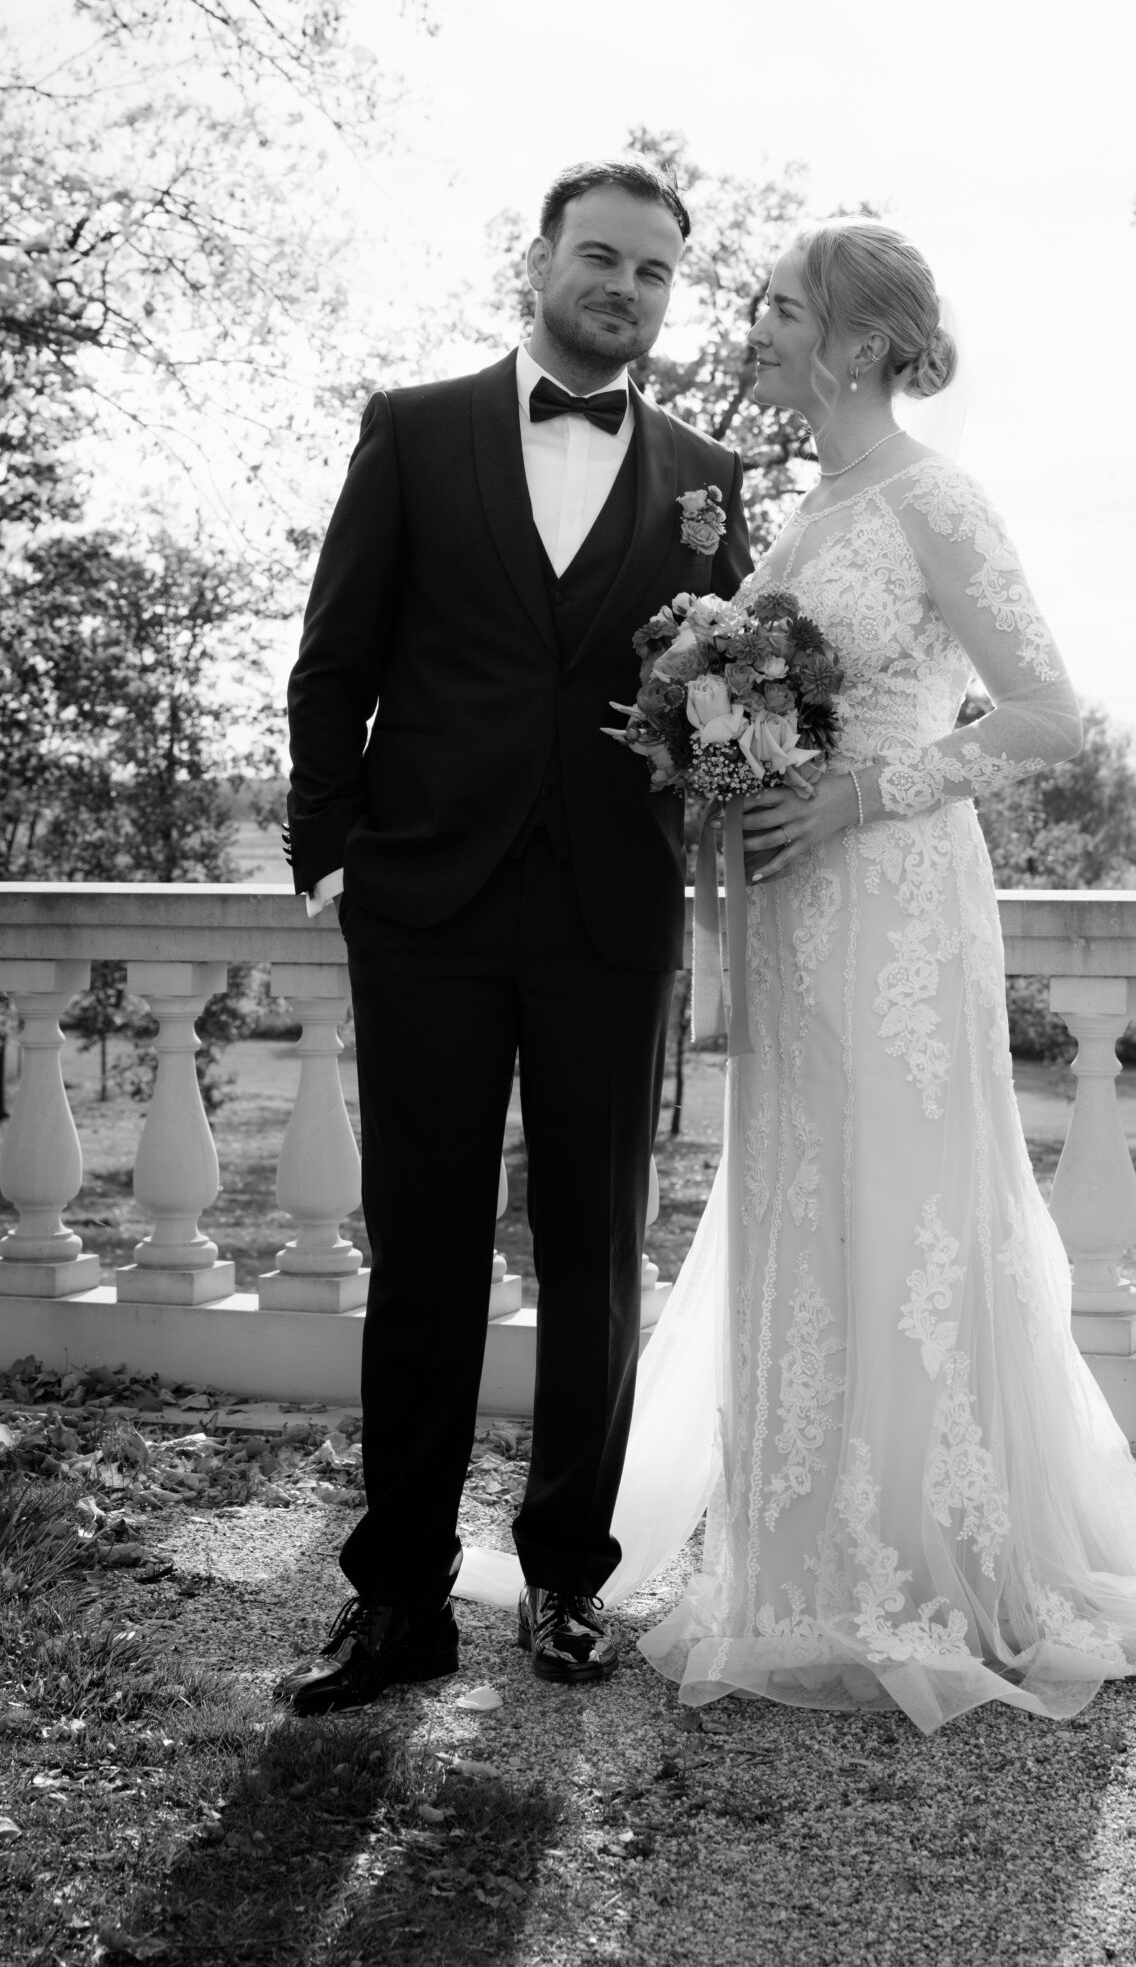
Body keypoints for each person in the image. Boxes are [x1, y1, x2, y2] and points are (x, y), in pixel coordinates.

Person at [622, 216, 1136, 1732]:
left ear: (862, 343)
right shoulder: (805, 511)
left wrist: (862, 794)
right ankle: (802, 1560)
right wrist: (724, 759)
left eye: (784, 308)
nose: (757, 326)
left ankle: (935, 1565)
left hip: (895, 896)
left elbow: (1048, 714)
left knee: (907, 1201)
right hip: (794, 913)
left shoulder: (933, 496)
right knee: (808, 1196)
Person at [276, 156, 750, 1713]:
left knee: (597, 1259)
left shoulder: (709, 476)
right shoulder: (414, 431)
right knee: (424, 1252)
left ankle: (565, 1584)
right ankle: (397, 1599)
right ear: (539, 263)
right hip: (426, 902)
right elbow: (334, 659)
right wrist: (331, 863)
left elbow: (734, 696)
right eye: (601, 258)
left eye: (654, 271)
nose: (626, 289)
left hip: (614, 910)